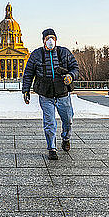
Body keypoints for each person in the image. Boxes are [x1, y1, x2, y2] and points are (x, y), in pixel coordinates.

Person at [22, 28, 79, 160]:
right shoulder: (36, 54)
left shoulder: (64, 52)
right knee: (49, 122)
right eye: (47, 38)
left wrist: (71, 75)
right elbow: (28, 73)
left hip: (62, 93)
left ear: (56, 40)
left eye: (52, 38)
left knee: (68, 120)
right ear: (43, 40)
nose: (50, 40)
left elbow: (75, 68)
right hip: (45, 93)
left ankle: (66, 138)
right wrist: (26, 90)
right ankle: (51, 148)